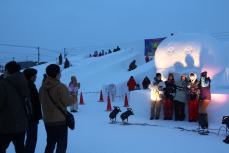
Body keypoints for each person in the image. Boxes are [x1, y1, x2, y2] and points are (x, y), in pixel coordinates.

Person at [39, 64, 72, 153]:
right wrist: (74, 93)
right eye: (60, 72)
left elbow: (40, 101)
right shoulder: (60, 87)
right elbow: (68, 102)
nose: (60, 74)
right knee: (61, 145)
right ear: (57, 74)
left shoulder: (42, 88)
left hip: (47, 121)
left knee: (50, 143)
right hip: (60, 121)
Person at [0, 61, 30, 153]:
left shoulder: (3, 84)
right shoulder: (24, 81)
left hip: (6, 125)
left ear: (7, 71)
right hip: (22, 123)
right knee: (20, 148)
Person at [23, 68, 42, 153]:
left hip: (28, 117)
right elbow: (33, 102)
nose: (36, 77)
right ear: (30, 77)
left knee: (30, 138)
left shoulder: (27, 85)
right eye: (34, 76)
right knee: (31, 139)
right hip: (31, 117)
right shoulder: (29, 86)